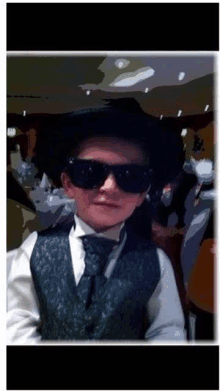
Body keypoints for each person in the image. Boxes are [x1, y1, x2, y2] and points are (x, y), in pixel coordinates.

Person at [7, 99, 187, 343]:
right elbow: (16, 328)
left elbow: (167, 331)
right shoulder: (33, 251)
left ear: (143, 193)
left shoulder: (157, 263)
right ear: (68, 183)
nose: (109, 187)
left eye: (130, 177)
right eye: (89, 172)